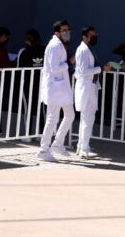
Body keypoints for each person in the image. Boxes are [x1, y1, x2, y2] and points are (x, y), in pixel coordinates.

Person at [37, 20, 75, 162]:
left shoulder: (60, 45)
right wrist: (69, 63)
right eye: (64, 30)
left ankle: (58, 143)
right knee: (52, 119)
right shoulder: (54, 46)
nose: (67, 32)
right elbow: (54, 68)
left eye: (68, 29)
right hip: (55, 88)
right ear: (57, 32)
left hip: (62, 88)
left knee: (69, 115)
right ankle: (43, 149)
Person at [74, 27, 110, 158]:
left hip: (91, 86)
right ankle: (83, 148)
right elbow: (84, 71)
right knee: (87, 118)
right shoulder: (83, 50)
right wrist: (101, 69)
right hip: (86, 86)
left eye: (96, 34)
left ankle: (82, 146)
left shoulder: (88, 49)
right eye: (92, 35)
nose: (95, 37)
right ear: (85, 36)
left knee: (88, 118)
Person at [17, 29, 45, 141]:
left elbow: (19, 69)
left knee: (28, 109)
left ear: (27, 40)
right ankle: (41, 134)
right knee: (41, 109)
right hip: (42, 84)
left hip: (28, 85)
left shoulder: (23, 52)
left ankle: (28, 135)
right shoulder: (44, 50)